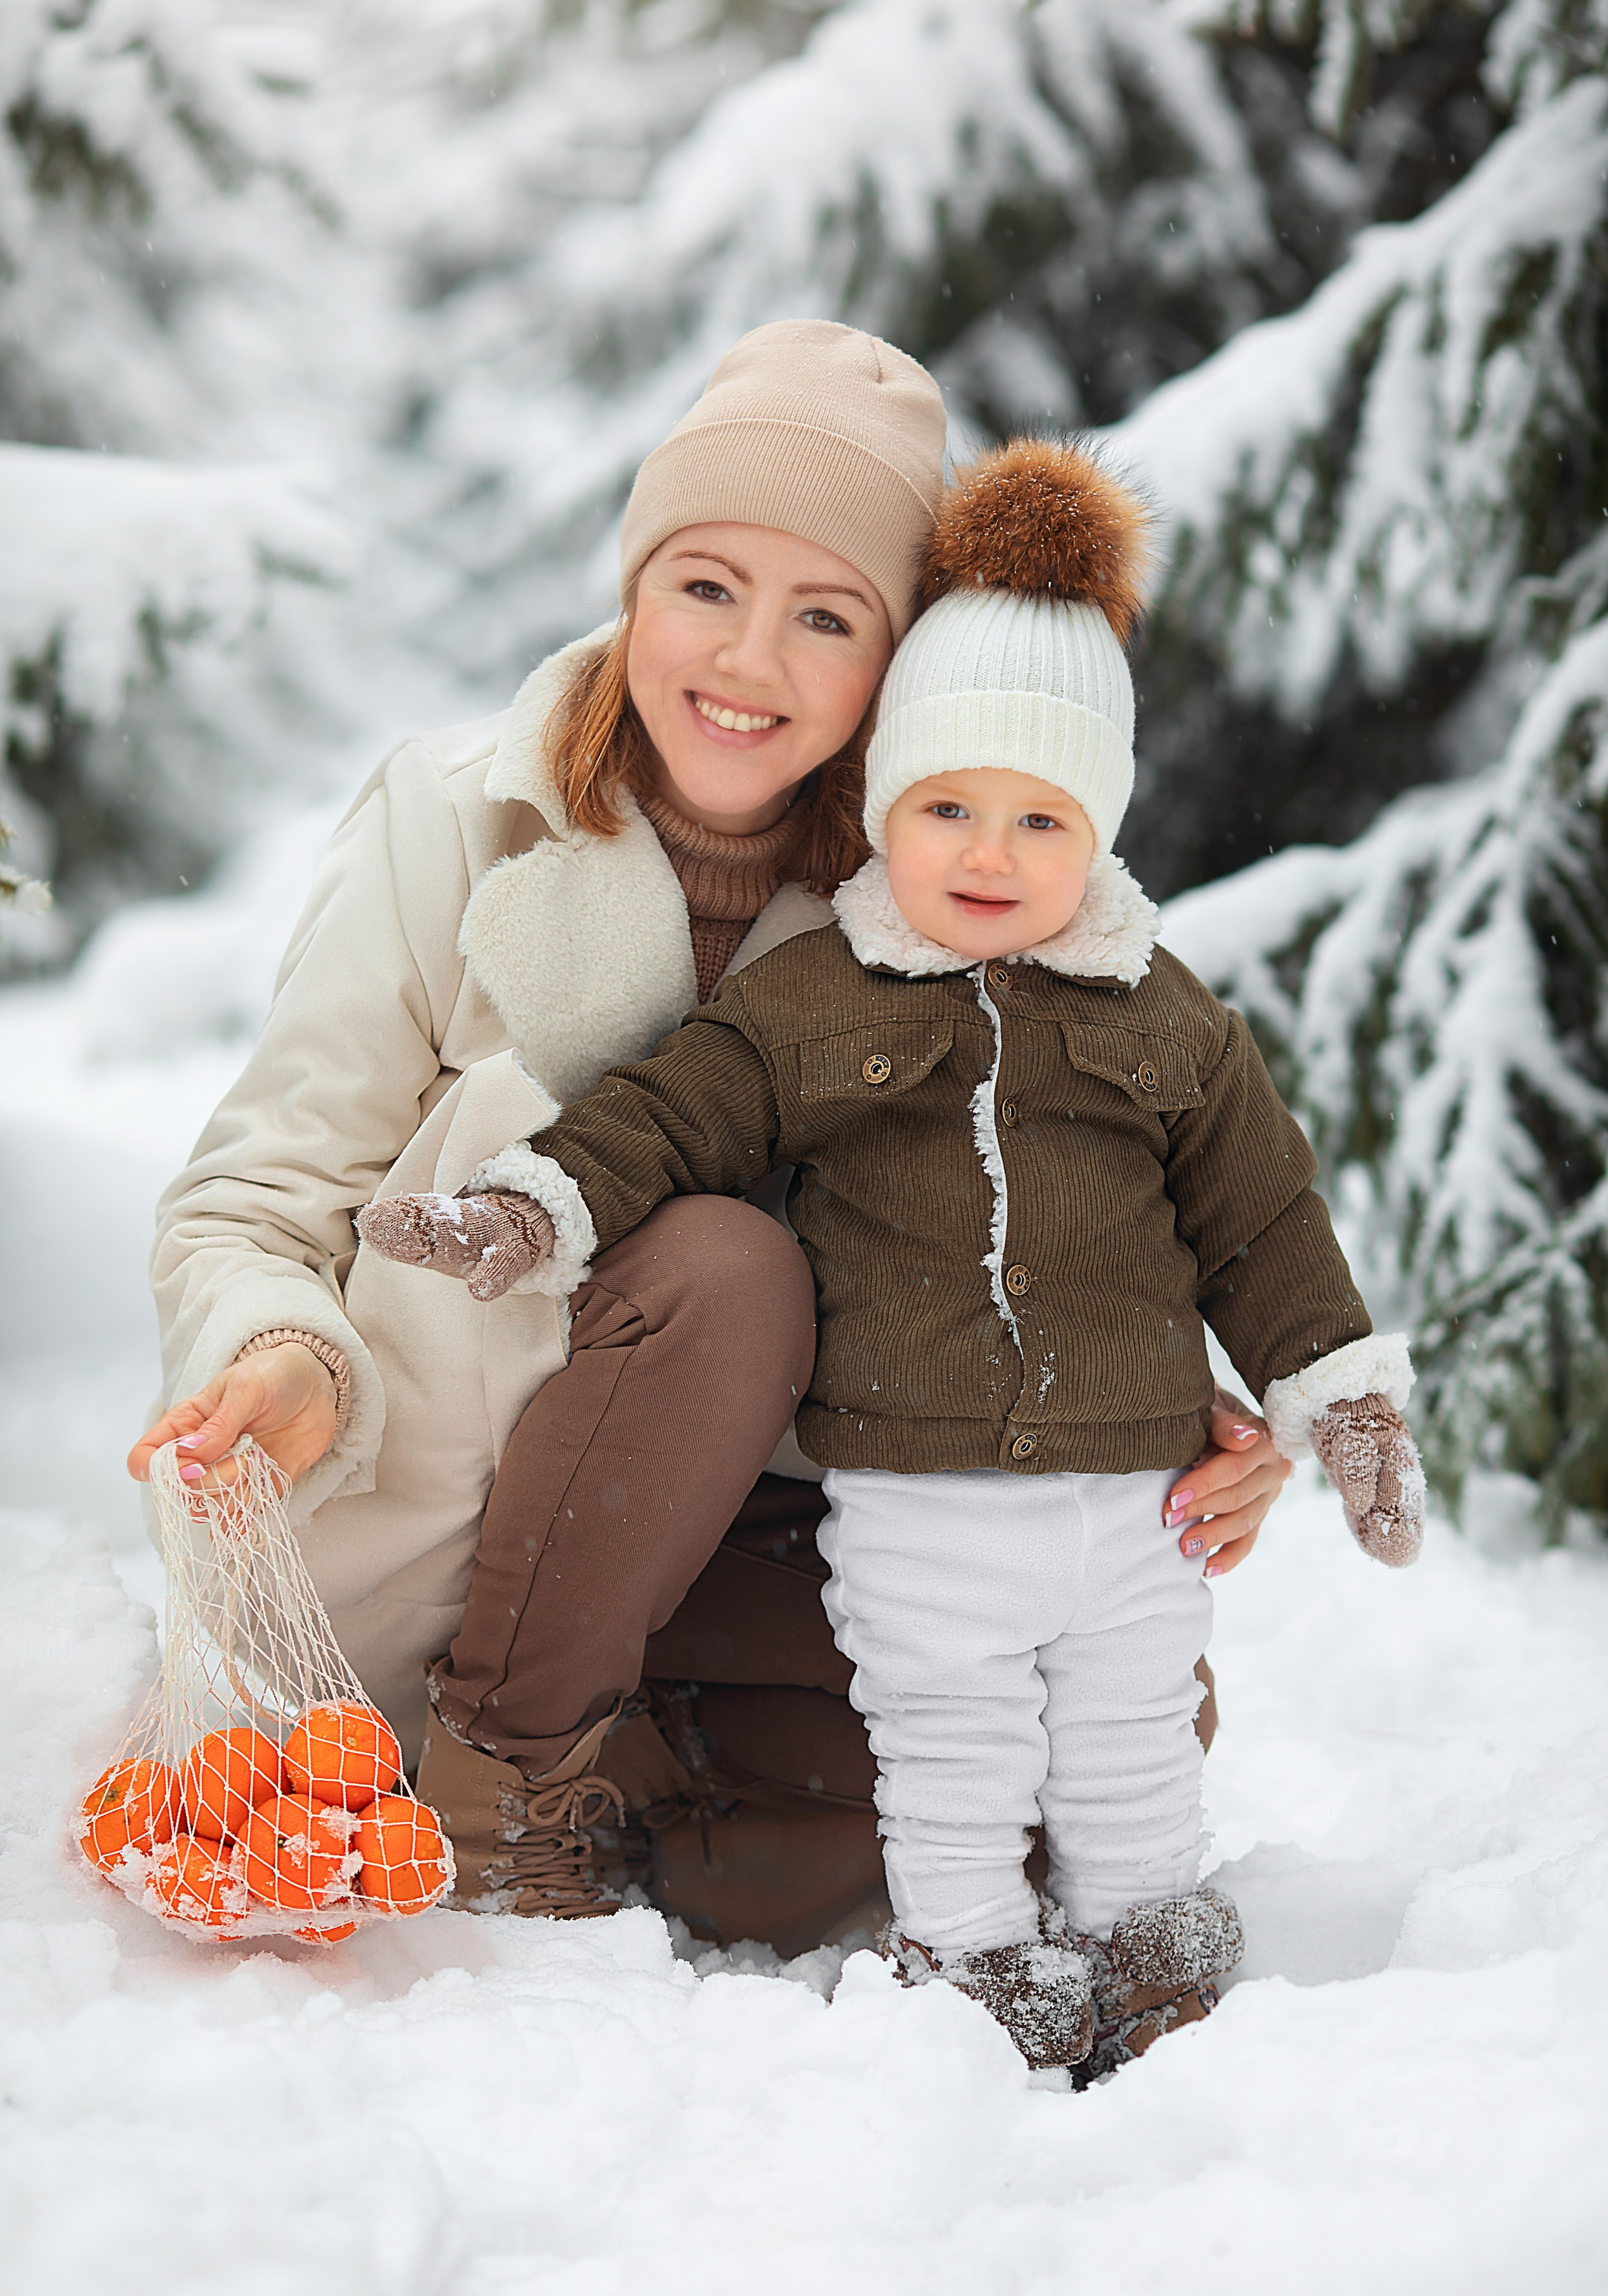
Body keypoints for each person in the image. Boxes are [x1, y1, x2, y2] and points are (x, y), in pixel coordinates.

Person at [130, 328, 1291, 1954]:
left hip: (745, 1535)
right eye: (703, 585)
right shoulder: (449, 813)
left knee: (1116, 1724)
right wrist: (287, 1353)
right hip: (450, 1511)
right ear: (633, 586)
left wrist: (1165, 1405)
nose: (746, 659)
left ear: (891, 668)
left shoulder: (937, 900)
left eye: (825, 616)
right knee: (721, 1263)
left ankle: (640, 1782)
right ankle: (485, 1771)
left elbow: (1047, 1206)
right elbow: (259, 1188)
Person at [361, 437, 1424, 2069]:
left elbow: (1263, 1215)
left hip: (1125, 1491)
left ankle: (1151, 1950)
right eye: (944, 806)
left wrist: (1333, 1397)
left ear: (1102, 829)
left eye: (1036, 817)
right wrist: (530, 1204)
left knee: (1138, 1741)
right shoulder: (817, 999)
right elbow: (670, 1111)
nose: (987, 854)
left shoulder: (1168, 1024)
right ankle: (974, 1959)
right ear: (885, 804)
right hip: (917, 1497)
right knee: (952, 1740)